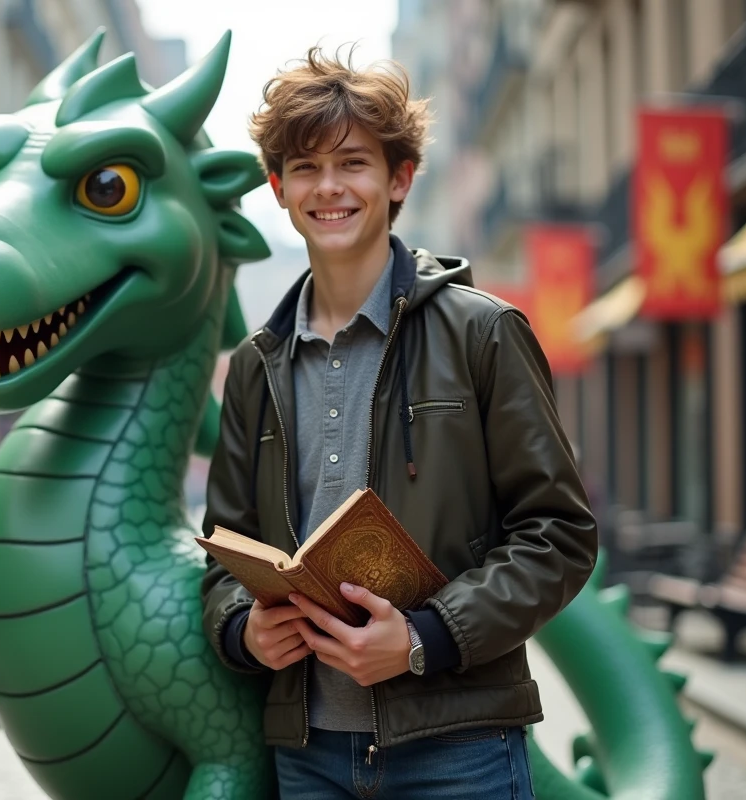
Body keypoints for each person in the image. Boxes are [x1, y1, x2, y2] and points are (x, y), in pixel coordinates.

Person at [200, 48, 598, 799]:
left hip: (461, 749)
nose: (329, 187)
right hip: (307, 752)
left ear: (400, 178)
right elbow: (225, 552)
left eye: (353, 162)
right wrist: (241, 631)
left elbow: (560, 533)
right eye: (305, 167)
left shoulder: (485, 333)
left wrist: (425, 638)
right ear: (278, 187)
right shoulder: (256, 363)